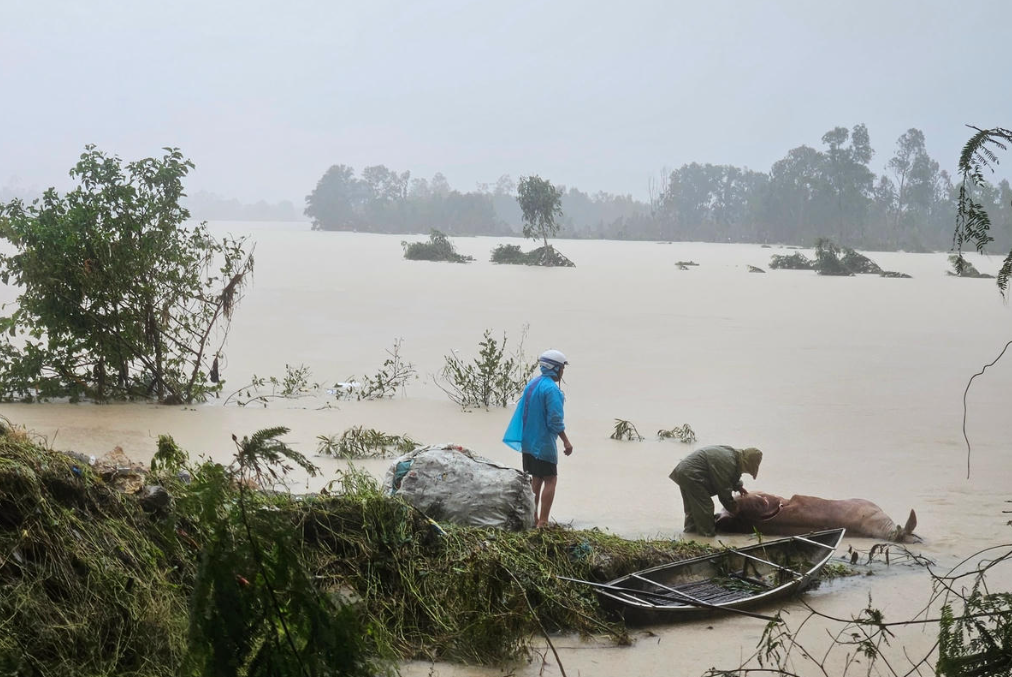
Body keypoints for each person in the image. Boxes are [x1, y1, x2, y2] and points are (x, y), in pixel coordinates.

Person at [503, 349, 573, 528]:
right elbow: (555, 420)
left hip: (528, 442)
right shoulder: (551, 390)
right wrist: (565, 440)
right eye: (561, 369)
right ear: (555, 369)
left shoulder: (532, 384)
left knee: (536, 479)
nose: (562, 372)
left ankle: (532, 519)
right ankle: (543, 521)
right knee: (550, 479)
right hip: (543, 444)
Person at [668, 445, 763, 537]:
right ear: (746, 462)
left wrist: (738, 486)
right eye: (747, 469)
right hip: (692, 475)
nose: (745, 472)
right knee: (706, 506)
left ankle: (691, 535)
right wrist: (733, 508)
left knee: (693, 509)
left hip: (685, 472)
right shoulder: (728, 462)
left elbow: (730, 476)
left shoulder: (733, 456)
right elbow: (723, 489)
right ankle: (707, 536)